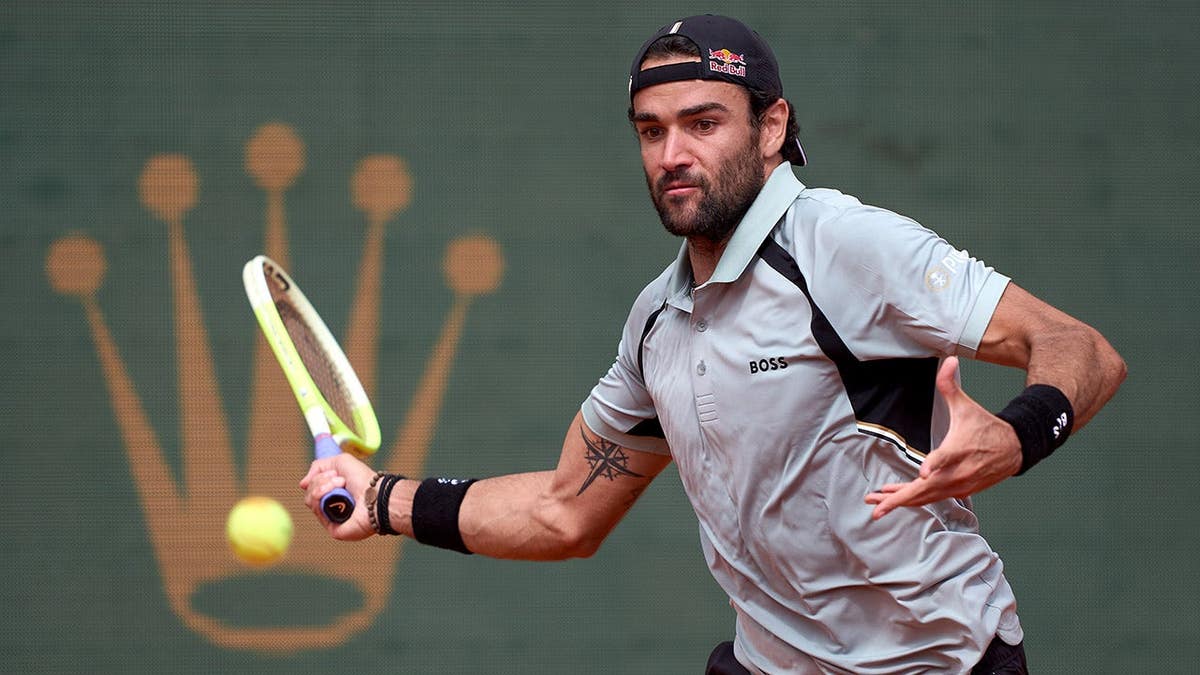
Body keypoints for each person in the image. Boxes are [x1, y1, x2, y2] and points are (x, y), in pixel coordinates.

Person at [301, 14, 1125, 674]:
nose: (673, 155)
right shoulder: (657, 321)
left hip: (935, 662)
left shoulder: (842, 246)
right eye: (651, 131)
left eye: (703, 124)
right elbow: (564, 511)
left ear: (772, 128)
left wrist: (1019, 433)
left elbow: (1077, 344)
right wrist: (381, 501)